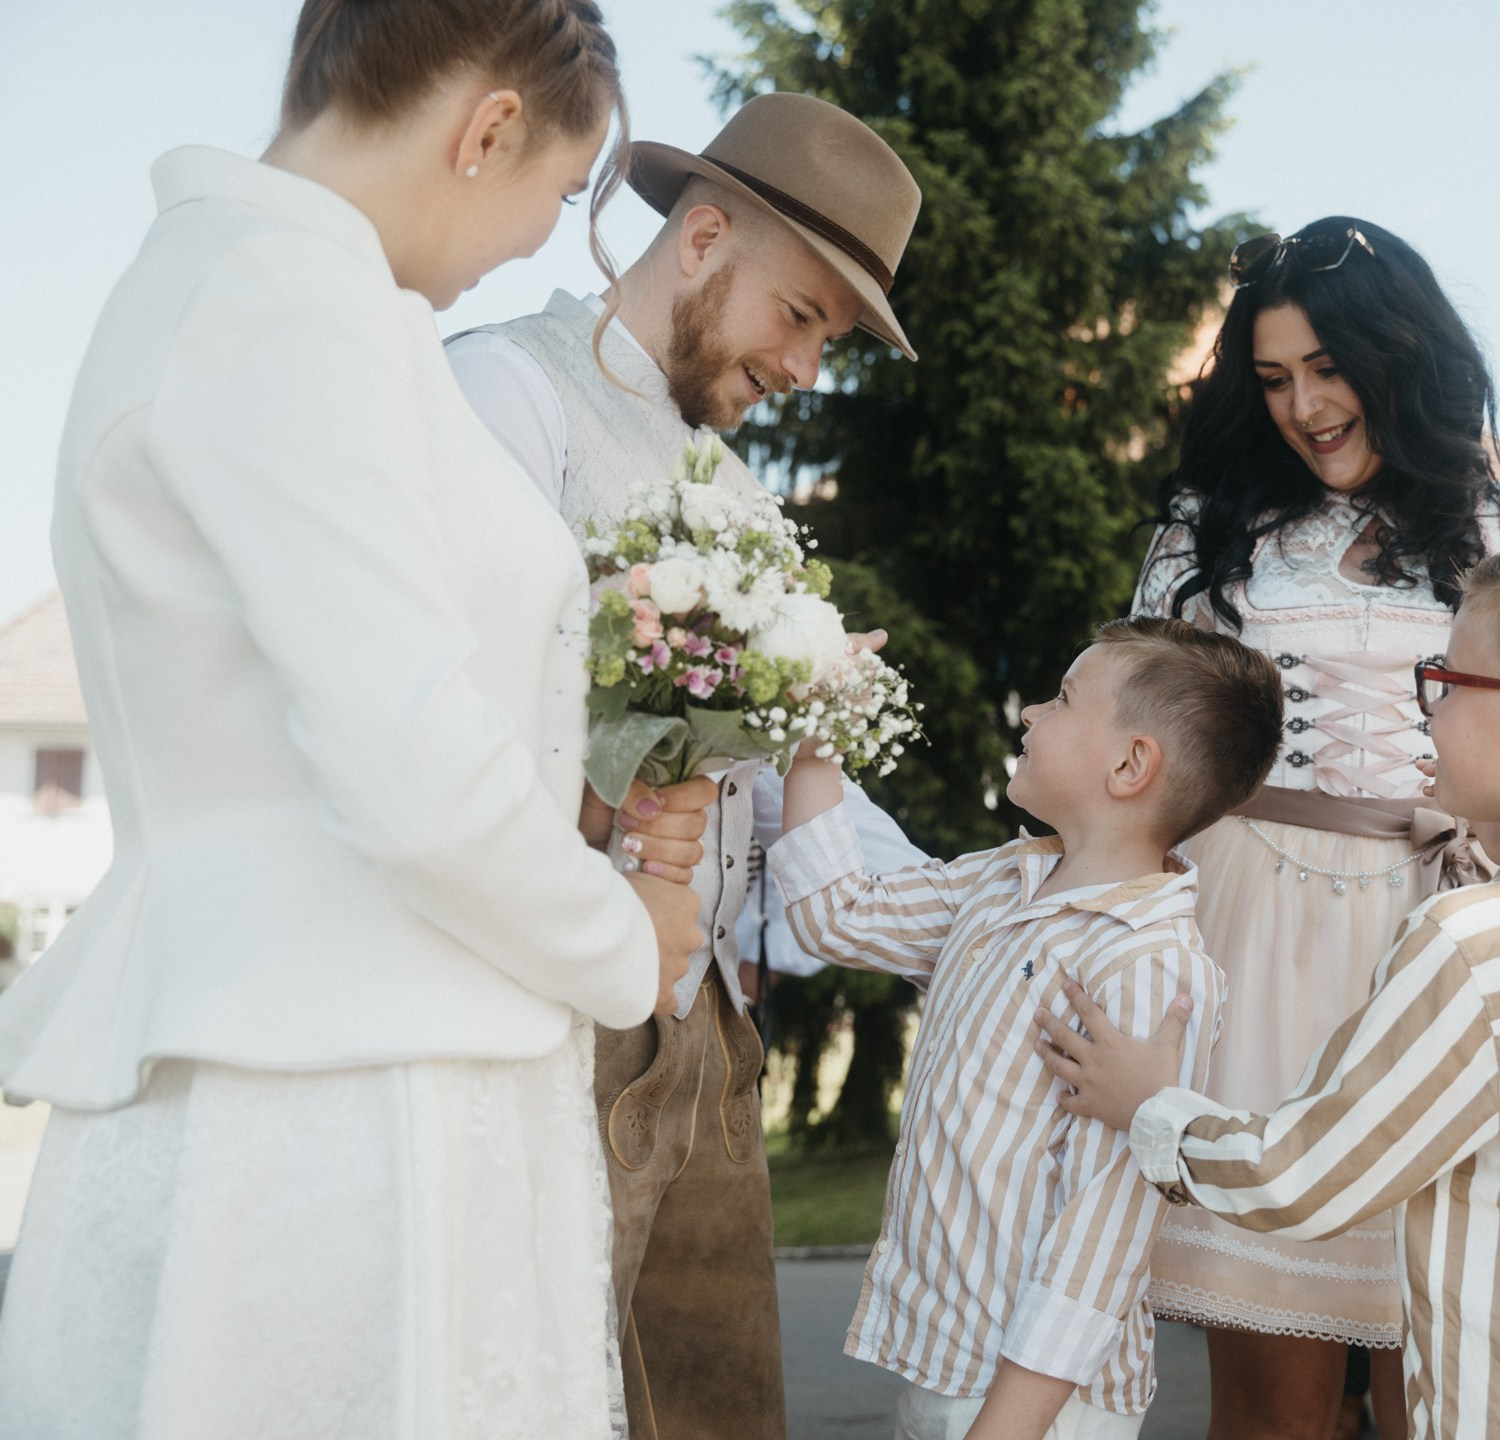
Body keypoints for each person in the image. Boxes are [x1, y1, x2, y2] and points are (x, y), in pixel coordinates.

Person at [0, 2, 708, 1433]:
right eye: (554, 199)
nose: (533, 245)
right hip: (333, 1114)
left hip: (336, 1072)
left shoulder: (251, 288)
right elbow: (412, 768)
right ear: (486, 128)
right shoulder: (281, 301)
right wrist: (620, 940)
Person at [446, 91, 928, 1437]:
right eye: (804, 315)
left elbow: (772, 776)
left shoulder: (744, 498)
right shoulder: (504, 391)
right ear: (704, 237)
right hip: (550, 997)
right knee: (541, 1386)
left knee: (712, 1403)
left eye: (831, 335)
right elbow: (472, 708)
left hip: (707, 1016)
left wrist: (971, 900)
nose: (810, 367)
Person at [1044, 526, 1500, 1438]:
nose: (1427, 708)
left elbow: (1305, 1176)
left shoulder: (1478, 942)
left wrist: (1153, 1107)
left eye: (1447, 682)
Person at [1130, 216, 1500, 1440]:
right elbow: (1149, 749)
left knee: (1449, 1377)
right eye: (1273, 379)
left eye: (1330, 371)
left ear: (1401, 358)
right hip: (1251, 940)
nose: (1304, 407)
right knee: (1270, 1388)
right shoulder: (1208, 529)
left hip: (1454, 945)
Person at [769, 617, 1284, 1440]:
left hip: (1043, 1405)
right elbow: (837, 913)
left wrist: (1006, 1428)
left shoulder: (1148, 966)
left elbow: (1103, 1228)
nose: (1030, 714)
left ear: (1129, 764)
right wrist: (814, 743)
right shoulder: (1001, 883)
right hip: (951, 1365)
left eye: (1062, 699)